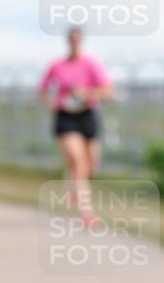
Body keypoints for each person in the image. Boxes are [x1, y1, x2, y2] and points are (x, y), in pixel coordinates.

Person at [38, 26, 113, 225]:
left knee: (90, 166)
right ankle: (87, 213)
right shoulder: (57, 65)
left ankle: (71, 186)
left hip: (87, 115)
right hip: (66, 117)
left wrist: (86, 93)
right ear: (67, 40)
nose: (74, 42)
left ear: (82, 40)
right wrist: (51, 103)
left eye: (77, 38)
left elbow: (107, 90)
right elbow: (43, 89)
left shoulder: (91, 64)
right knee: (78, 161)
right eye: (71, 38)